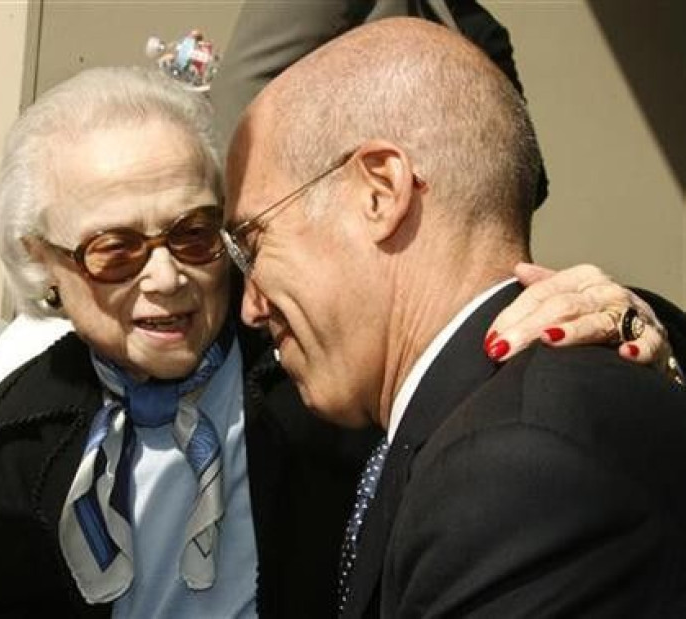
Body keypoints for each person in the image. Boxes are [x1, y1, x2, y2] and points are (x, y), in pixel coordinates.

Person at [0, 66, 678, 619]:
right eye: (116, 250)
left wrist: (639, 322)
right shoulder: (17, 430)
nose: (167, 277)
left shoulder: (310, 353)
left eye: (195, 233)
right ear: (43, 262)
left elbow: (471, 349)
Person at [222, 17, 686, 618]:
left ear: (380, 192)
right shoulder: (448, 422)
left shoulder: (514, 464)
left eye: (254, 244)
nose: (250, 304)